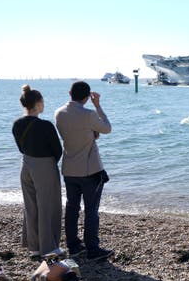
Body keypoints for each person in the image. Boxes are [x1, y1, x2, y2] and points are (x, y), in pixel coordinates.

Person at [55, 81, 113, 261]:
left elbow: (76, 133)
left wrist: (90, 132)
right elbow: (107, 128)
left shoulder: (59, 113)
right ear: (87, 97)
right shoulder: (89, 114)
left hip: (69, 168)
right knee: (91, 210)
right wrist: (98, 105)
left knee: (72, 208)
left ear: (69, 92)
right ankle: (92, 249)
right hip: (90, 170)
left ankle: (73, 246)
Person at [12, 84, 64, 259]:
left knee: (31, 205)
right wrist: (49, 164)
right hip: (44, 165)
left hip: (26, 164)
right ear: (38, 103)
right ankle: (49, 247)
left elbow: (20, 147)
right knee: (48, 205)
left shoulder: (17, 124)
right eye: (43, 102)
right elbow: (58, 150)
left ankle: (34, 246)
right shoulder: (46, 125)